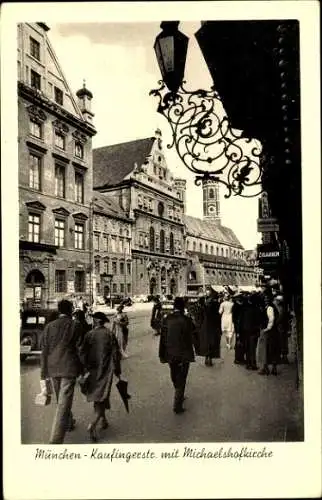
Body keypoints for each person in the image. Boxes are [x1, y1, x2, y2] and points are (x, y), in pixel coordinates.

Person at [40, 299, 84, 444]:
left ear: (59, 310)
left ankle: (69, 422)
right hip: (68, 368)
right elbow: (80, 349)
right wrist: (83, 370)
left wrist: (43, 374)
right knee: (63, 404)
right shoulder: (75, 325)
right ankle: (55, 441)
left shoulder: (49, 327)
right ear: (71, 310)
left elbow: (44, 351)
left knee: (61, 400)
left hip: (52, 368)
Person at [80, 312, 121, 442]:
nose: (92, 321)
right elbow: (115, 354)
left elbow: (82, 353)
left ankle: (103, 421)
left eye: (93, 319)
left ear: (96, 321)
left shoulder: (89, 335)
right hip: (105, 371)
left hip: (92, 371)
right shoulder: (109, 334)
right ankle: (93, 424)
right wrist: (118, 371)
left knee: (98, 396)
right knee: (102, 396)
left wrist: (84, 369)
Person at [159, 297, 198, 414]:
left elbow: (163, 338)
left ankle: (178, 393)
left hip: (170, 353)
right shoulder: (186, 319)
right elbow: (194, 332)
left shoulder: (167, 319)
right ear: (183, 307)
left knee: (174, 375)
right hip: (184, 353)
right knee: (182, 377)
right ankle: (178, 402)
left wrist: (162, 354)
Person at [197, 288, 222, 366]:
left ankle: (208, 358)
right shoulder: (214, 304)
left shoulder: (205, 305)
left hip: (207, 325)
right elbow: (218, 317)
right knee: (211, 342)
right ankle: (209, 358)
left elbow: (200, 316)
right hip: (211, 325)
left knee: (207, 342)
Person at [257, 293, 279, 375]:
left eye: (267, 299)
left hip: (268, 331)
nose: (265, 300)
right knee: (270, 349)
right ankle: (271, 368)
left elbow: (271, 319)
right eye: (264, 299)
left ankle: (266, 368)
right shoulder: (269, 307)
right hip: (271, 331)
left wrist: (267, 328)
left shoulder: (269, 308)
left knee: (265, 349)